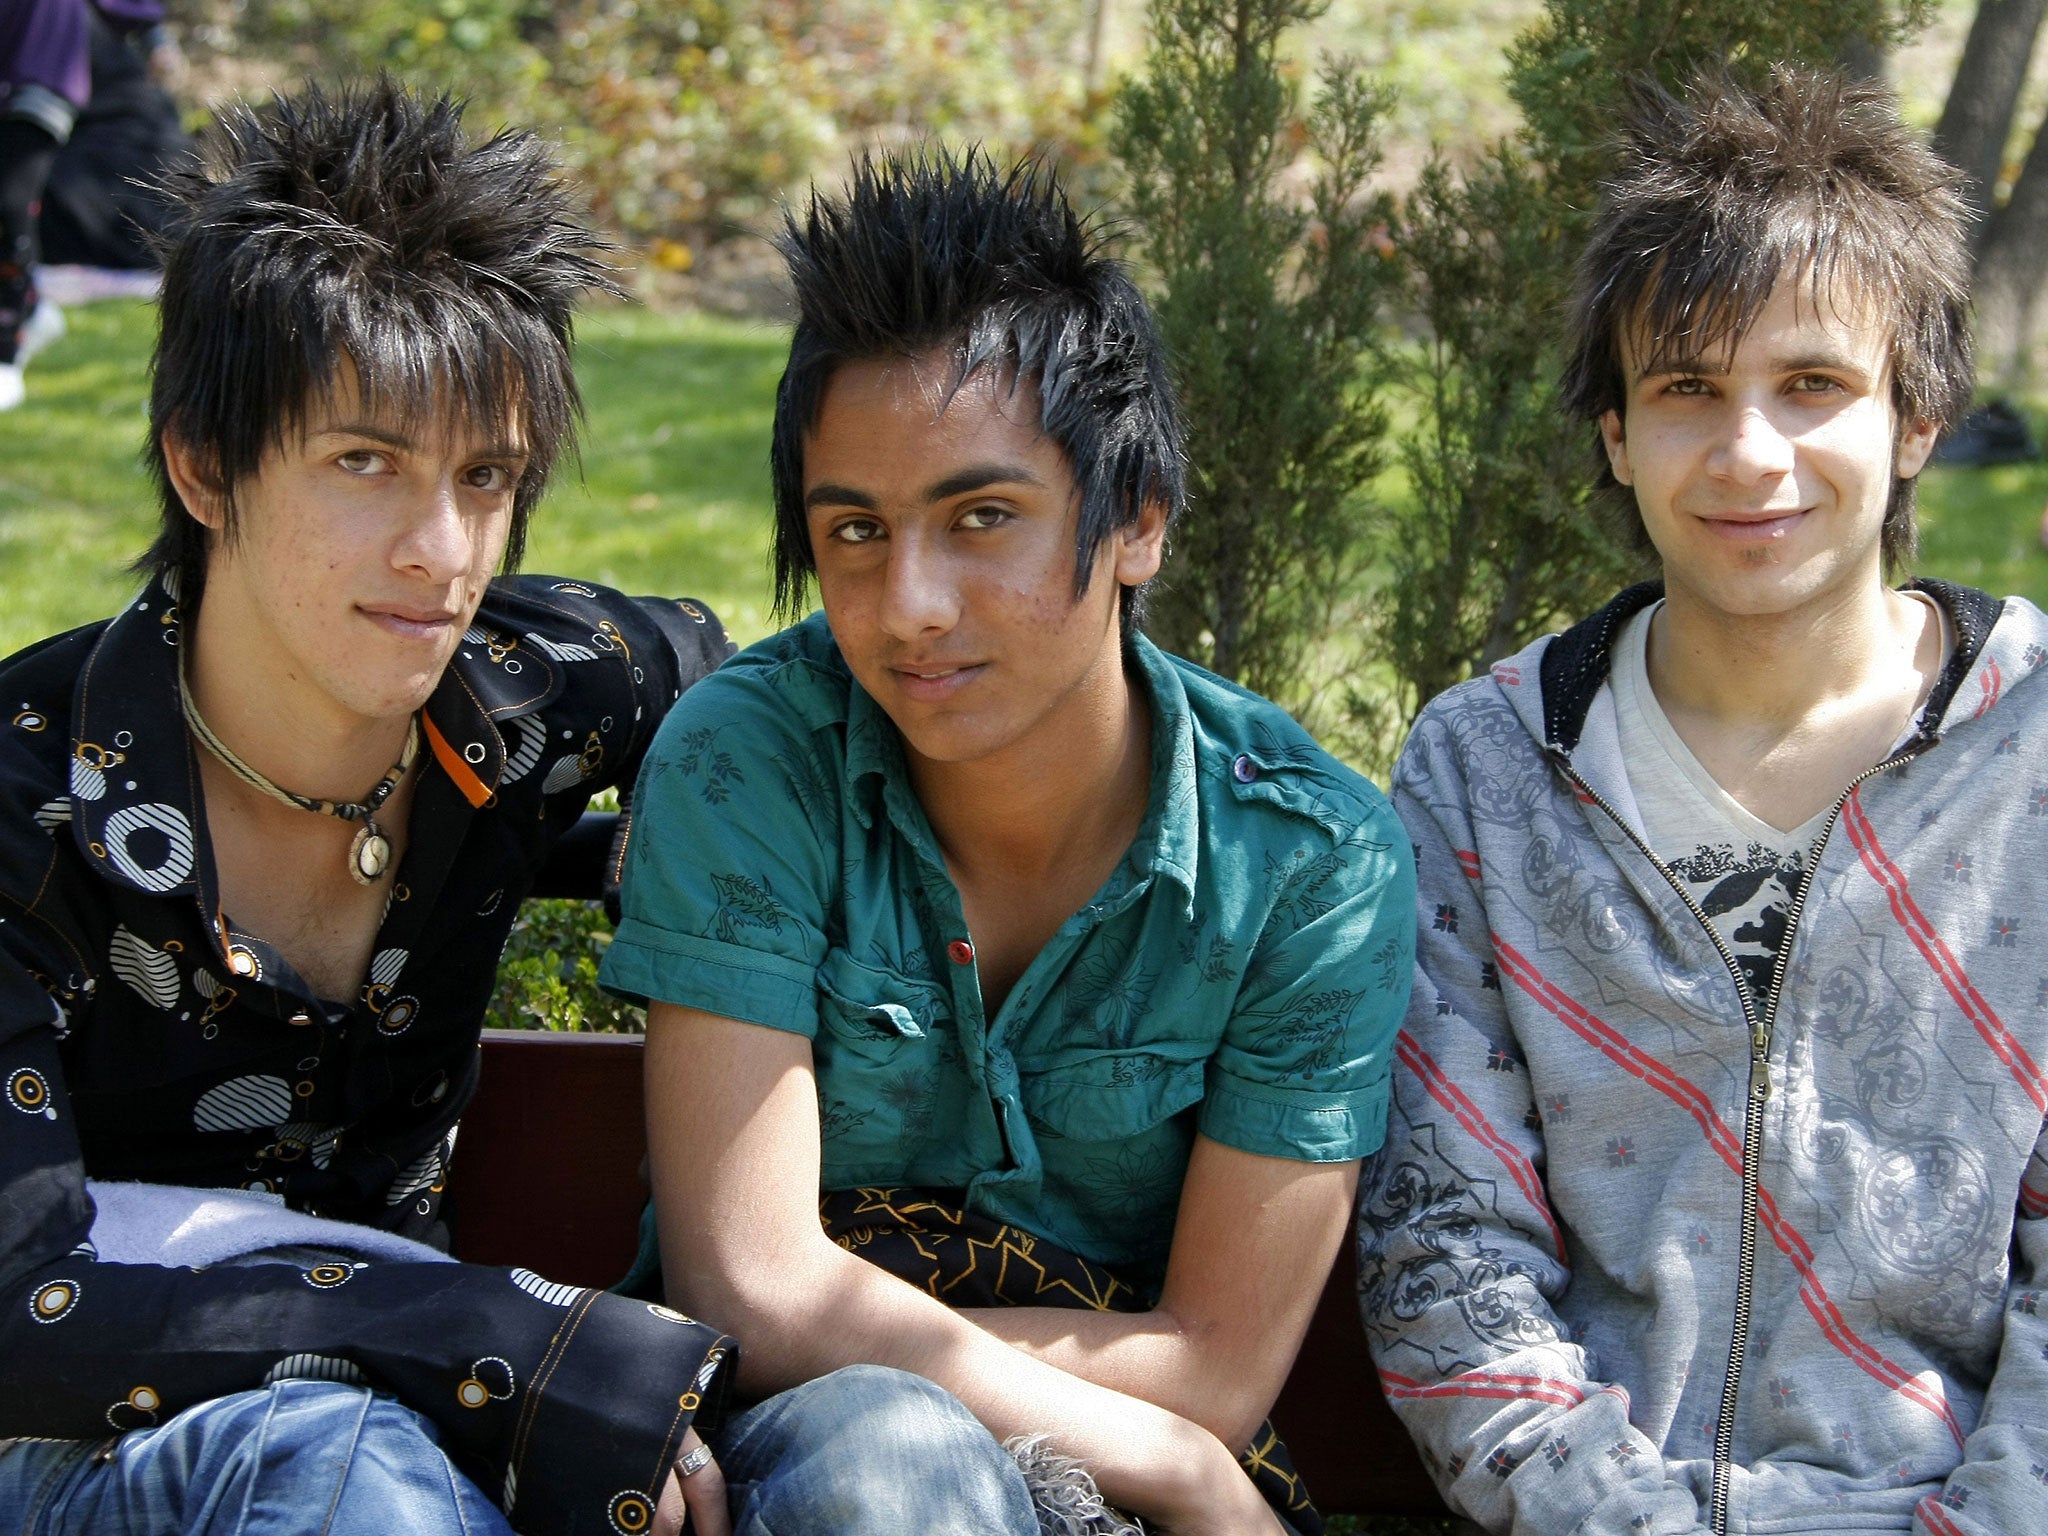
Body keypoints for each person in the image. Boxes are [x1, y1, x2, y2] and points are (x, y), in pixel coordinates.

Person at [0, 82, 1038, 1536]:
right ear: (204, 464)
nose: (440, 550)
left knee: (873, 1451)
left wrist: (677, 861)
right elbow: (29, 1309)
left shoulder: (548, 690)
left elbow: (757, 719)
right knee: (339, 1469)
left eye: (484, 477)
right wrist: (505, 1348)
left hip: (430, 1437)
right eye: (365, 462)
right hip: (94, 1442)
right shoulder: (28, 805)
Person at [599, 147, 1416, 1536]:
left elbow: (1217, 1365)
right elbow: (744, 1289)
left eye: (983, 519)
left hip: (1105, 1488)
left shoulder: (1305, 861)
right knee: (887, 1453)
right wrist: (1183, 1465)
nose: (909, 604)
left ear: (1136, 521)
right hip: (787, 1464)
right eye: (854, 531)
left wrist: (1173, 1450)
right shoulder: (754, 764)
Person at [1357, 66, 2048, 1536]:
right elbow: (1445, 1253)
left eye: (1813, 386)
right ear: (1616, 434)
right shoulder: (1486, 774)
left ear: (1919, 416)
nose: (1749, 454)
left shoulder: (2037, 756)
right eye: (1686, 389)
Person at [0, 0, 179, 410]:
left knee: (10, 204)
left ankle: (5, 350)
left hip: (43, 64)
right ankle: (32, 307)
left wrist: (155, 38)